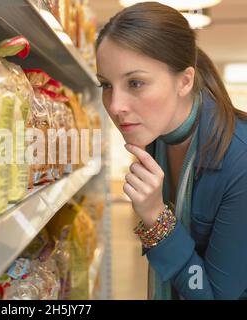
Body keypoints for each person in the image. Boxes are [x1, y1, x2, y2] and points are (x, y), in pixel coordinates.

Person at [96, 1, 247, 300]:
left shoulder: (240, 163)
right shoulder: (156, 138)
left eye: (135, 83)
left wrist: (155, 217)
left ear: (185, 81)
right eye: (106, 85)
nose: (115, 106)